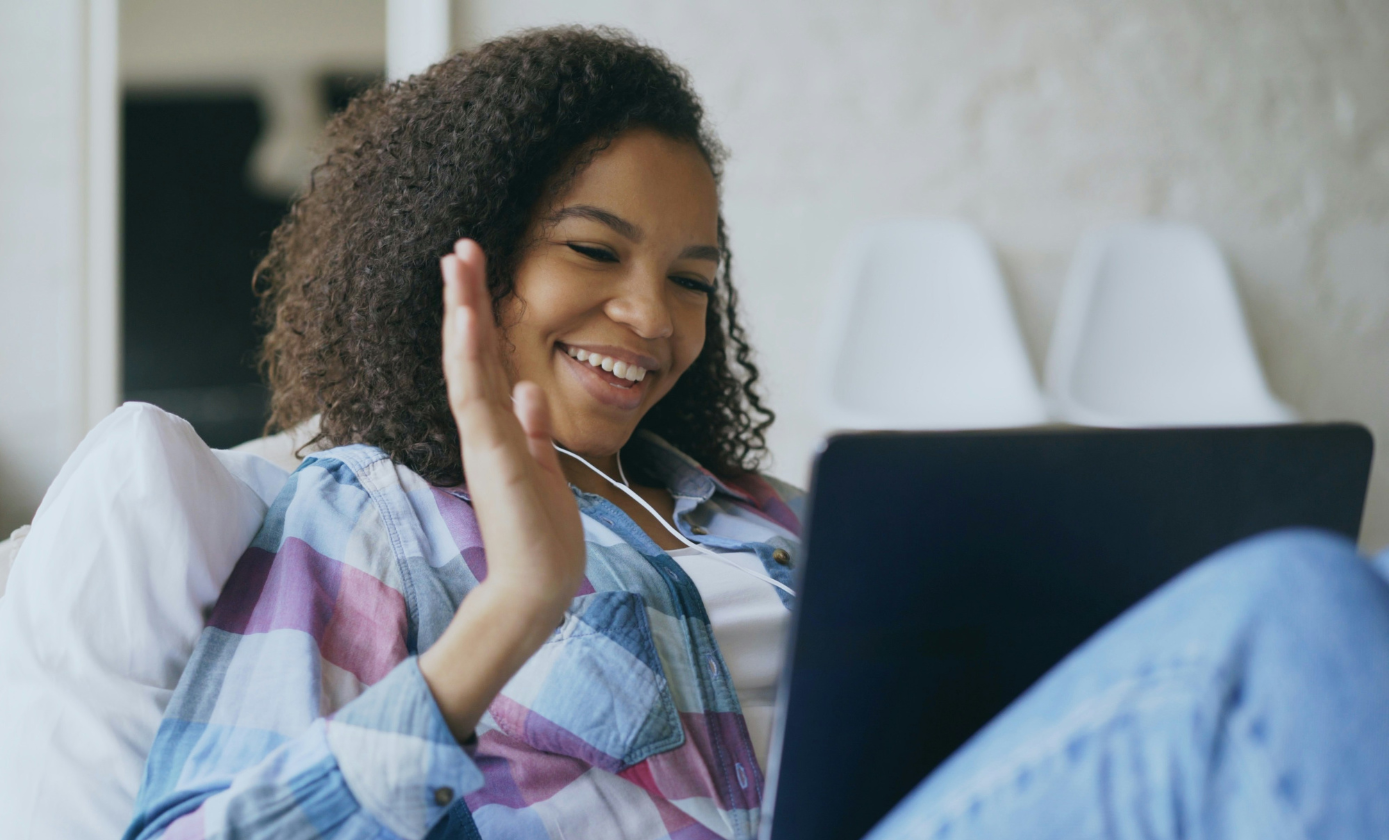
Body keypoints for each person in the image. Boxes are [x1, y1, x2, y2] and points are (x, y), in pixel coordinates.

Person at [124, 27, 1389, 840]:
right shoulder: (366, 512)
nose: (652, 316)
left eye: (691, 279)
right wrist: (513, 608)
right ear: (468, 260)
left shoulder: (768, 516)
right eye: (594, 252)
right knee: (1297, 607)